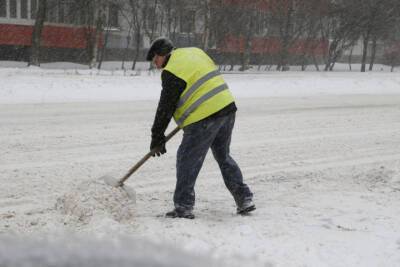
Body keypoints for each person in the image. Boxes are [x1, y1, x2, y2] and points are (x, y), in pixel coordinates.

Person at [146, 37, 255, 219]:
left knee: (187, 158)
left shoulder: (172, 71)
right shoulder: (195, 52)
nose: (157, 66)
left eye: (155, 60)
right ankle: (244, 198)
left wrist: (157, 135)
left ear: (163, 55)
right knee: (223, 156)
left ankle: (183, 207)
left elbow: (166, 106)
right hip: (226, 108)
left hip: (204, 116)